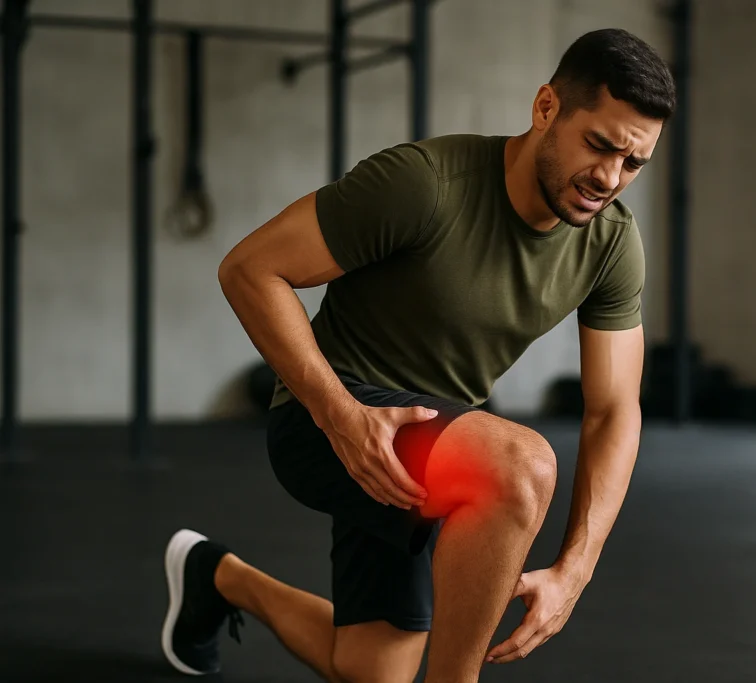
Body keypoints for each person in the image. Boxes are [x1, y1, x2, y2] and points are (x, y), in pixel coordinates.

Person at [160, 27, 675, 683]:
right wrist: (341, 415)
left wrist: (575, 569)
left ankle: (218, 577)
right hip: (327, 418)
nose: (609, 177)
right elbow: (250, 269)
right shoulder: (425, 184)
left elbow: (614, 409)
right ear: (546, 107)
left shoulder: (611, 244)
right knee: (521, 467)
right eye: (599, 145)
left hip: (433, 444)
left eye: (633, 163)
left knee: (372, 671)